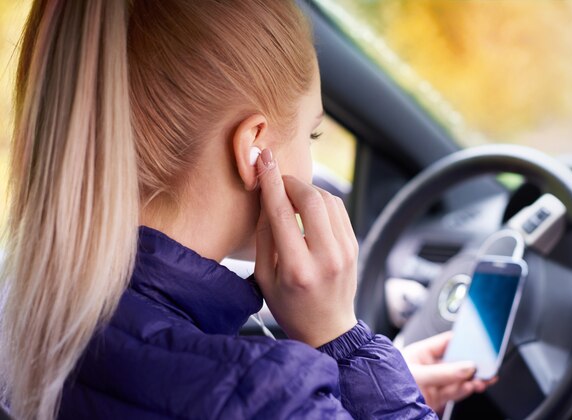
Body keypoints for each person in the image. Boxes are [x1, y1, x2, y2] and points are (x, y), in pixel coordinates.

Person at [0, 1, 491, 418]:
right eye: (311, 132)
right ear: (254, 149)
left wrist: (345, 396)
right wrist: (341, 339)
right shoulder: (268, 396)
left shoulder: (26, 306)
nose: (312, 156)